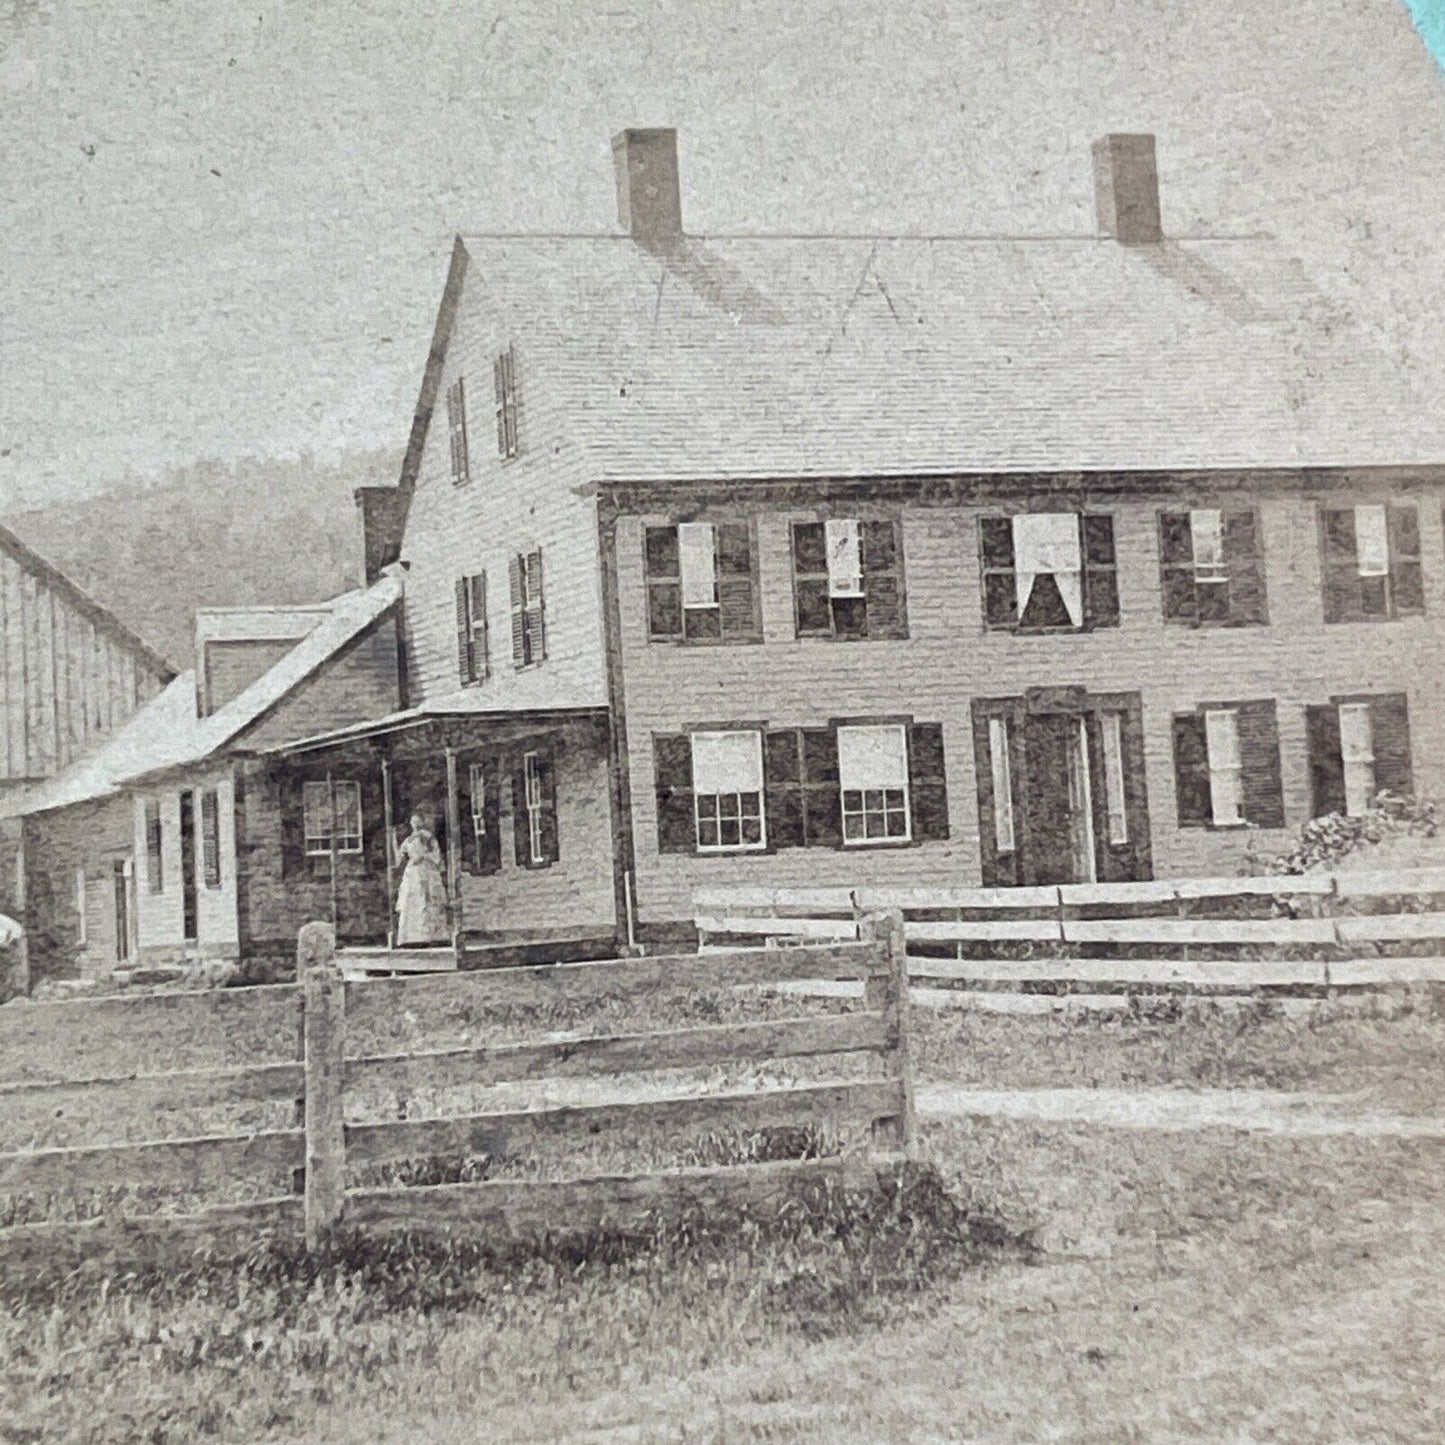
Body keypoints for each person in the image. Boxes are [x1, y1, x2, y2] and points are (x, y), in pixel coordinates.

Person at [394, 813, 449, 946]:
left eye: (418, 821)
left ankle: (432, 935)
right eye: (413, 821)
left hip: (426, 869)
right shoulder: (409, 839)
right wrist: (395, 845)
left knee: (427, 898)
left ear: (422, 822)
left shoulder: (427, 836)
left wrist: (425, 856)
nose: (415, 824)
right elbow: (400, 855)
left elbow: (436, 853)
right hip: (413, 871)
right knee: (412, 899)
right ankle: (411, 936)